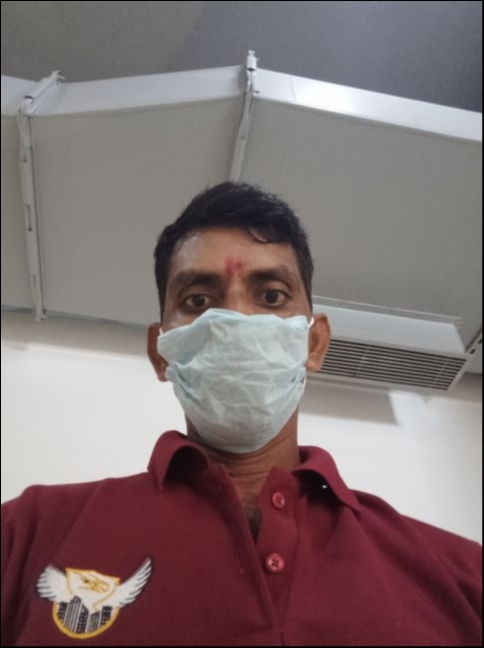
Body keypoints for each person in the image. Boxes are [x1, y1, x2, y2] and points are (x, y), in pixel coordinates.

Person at [1, 182, 481, 647]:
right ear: (161, 353)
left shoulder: (463, 575)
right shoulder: (25, 534)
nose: (235, 321)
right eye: (198, 301)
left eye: (271, 296)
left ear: (314, 343)